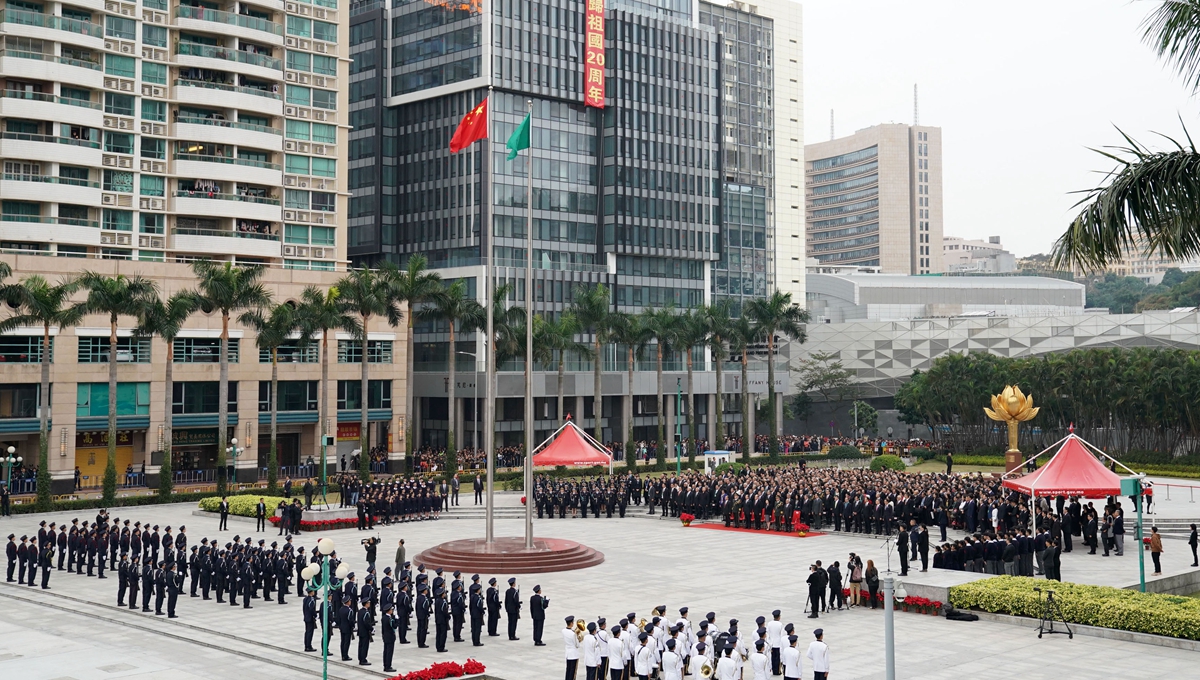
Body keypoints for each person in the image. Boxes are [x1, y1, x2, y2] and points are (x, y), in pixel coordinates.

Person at [357, 600, 375, 665]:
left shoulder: (360, 611)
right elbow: (366, 623)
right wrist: (371, 629)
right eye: (368, 603)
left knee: (361, 645)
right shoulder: (366, 613)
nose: (369, 604)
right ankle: (363, 659)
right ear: (366, 604)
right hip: (365, 632)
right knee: (364, 646)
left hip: (360, 631)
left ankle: (360, 658)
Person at [303, 587, 319, 652]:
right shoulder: (312, 600)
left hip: (306, 617)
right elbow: (311, 609)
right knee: (310, 632)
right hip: (310, 618)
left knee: (307, 632)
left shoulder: (305, 599)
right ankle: (308, 646)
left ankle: (306, 645)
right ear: (312, 592)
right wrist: (315, 615)